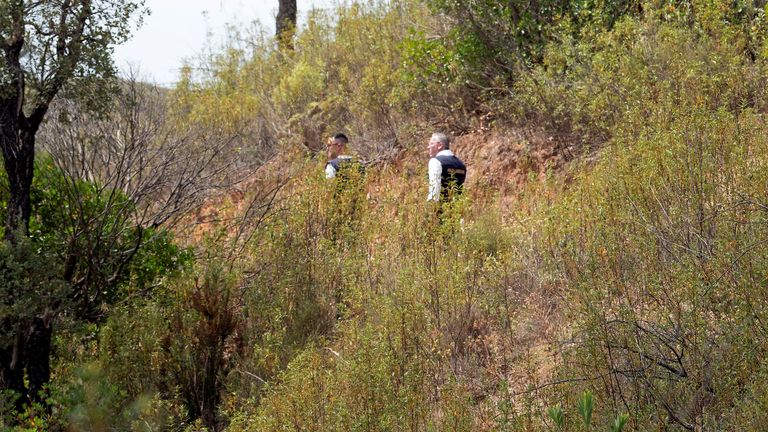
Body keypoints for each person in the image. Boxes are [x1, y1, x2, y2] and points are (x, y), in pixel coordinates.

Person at [427, 132, 466, 202]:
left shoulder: (435, 161)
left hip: (440, 208)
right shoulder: (461, 164)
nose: (428, 147)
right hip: (457, 209)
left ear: (439, 145)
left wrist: (432, 208)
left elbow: (434, 190)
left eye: (431, 144)